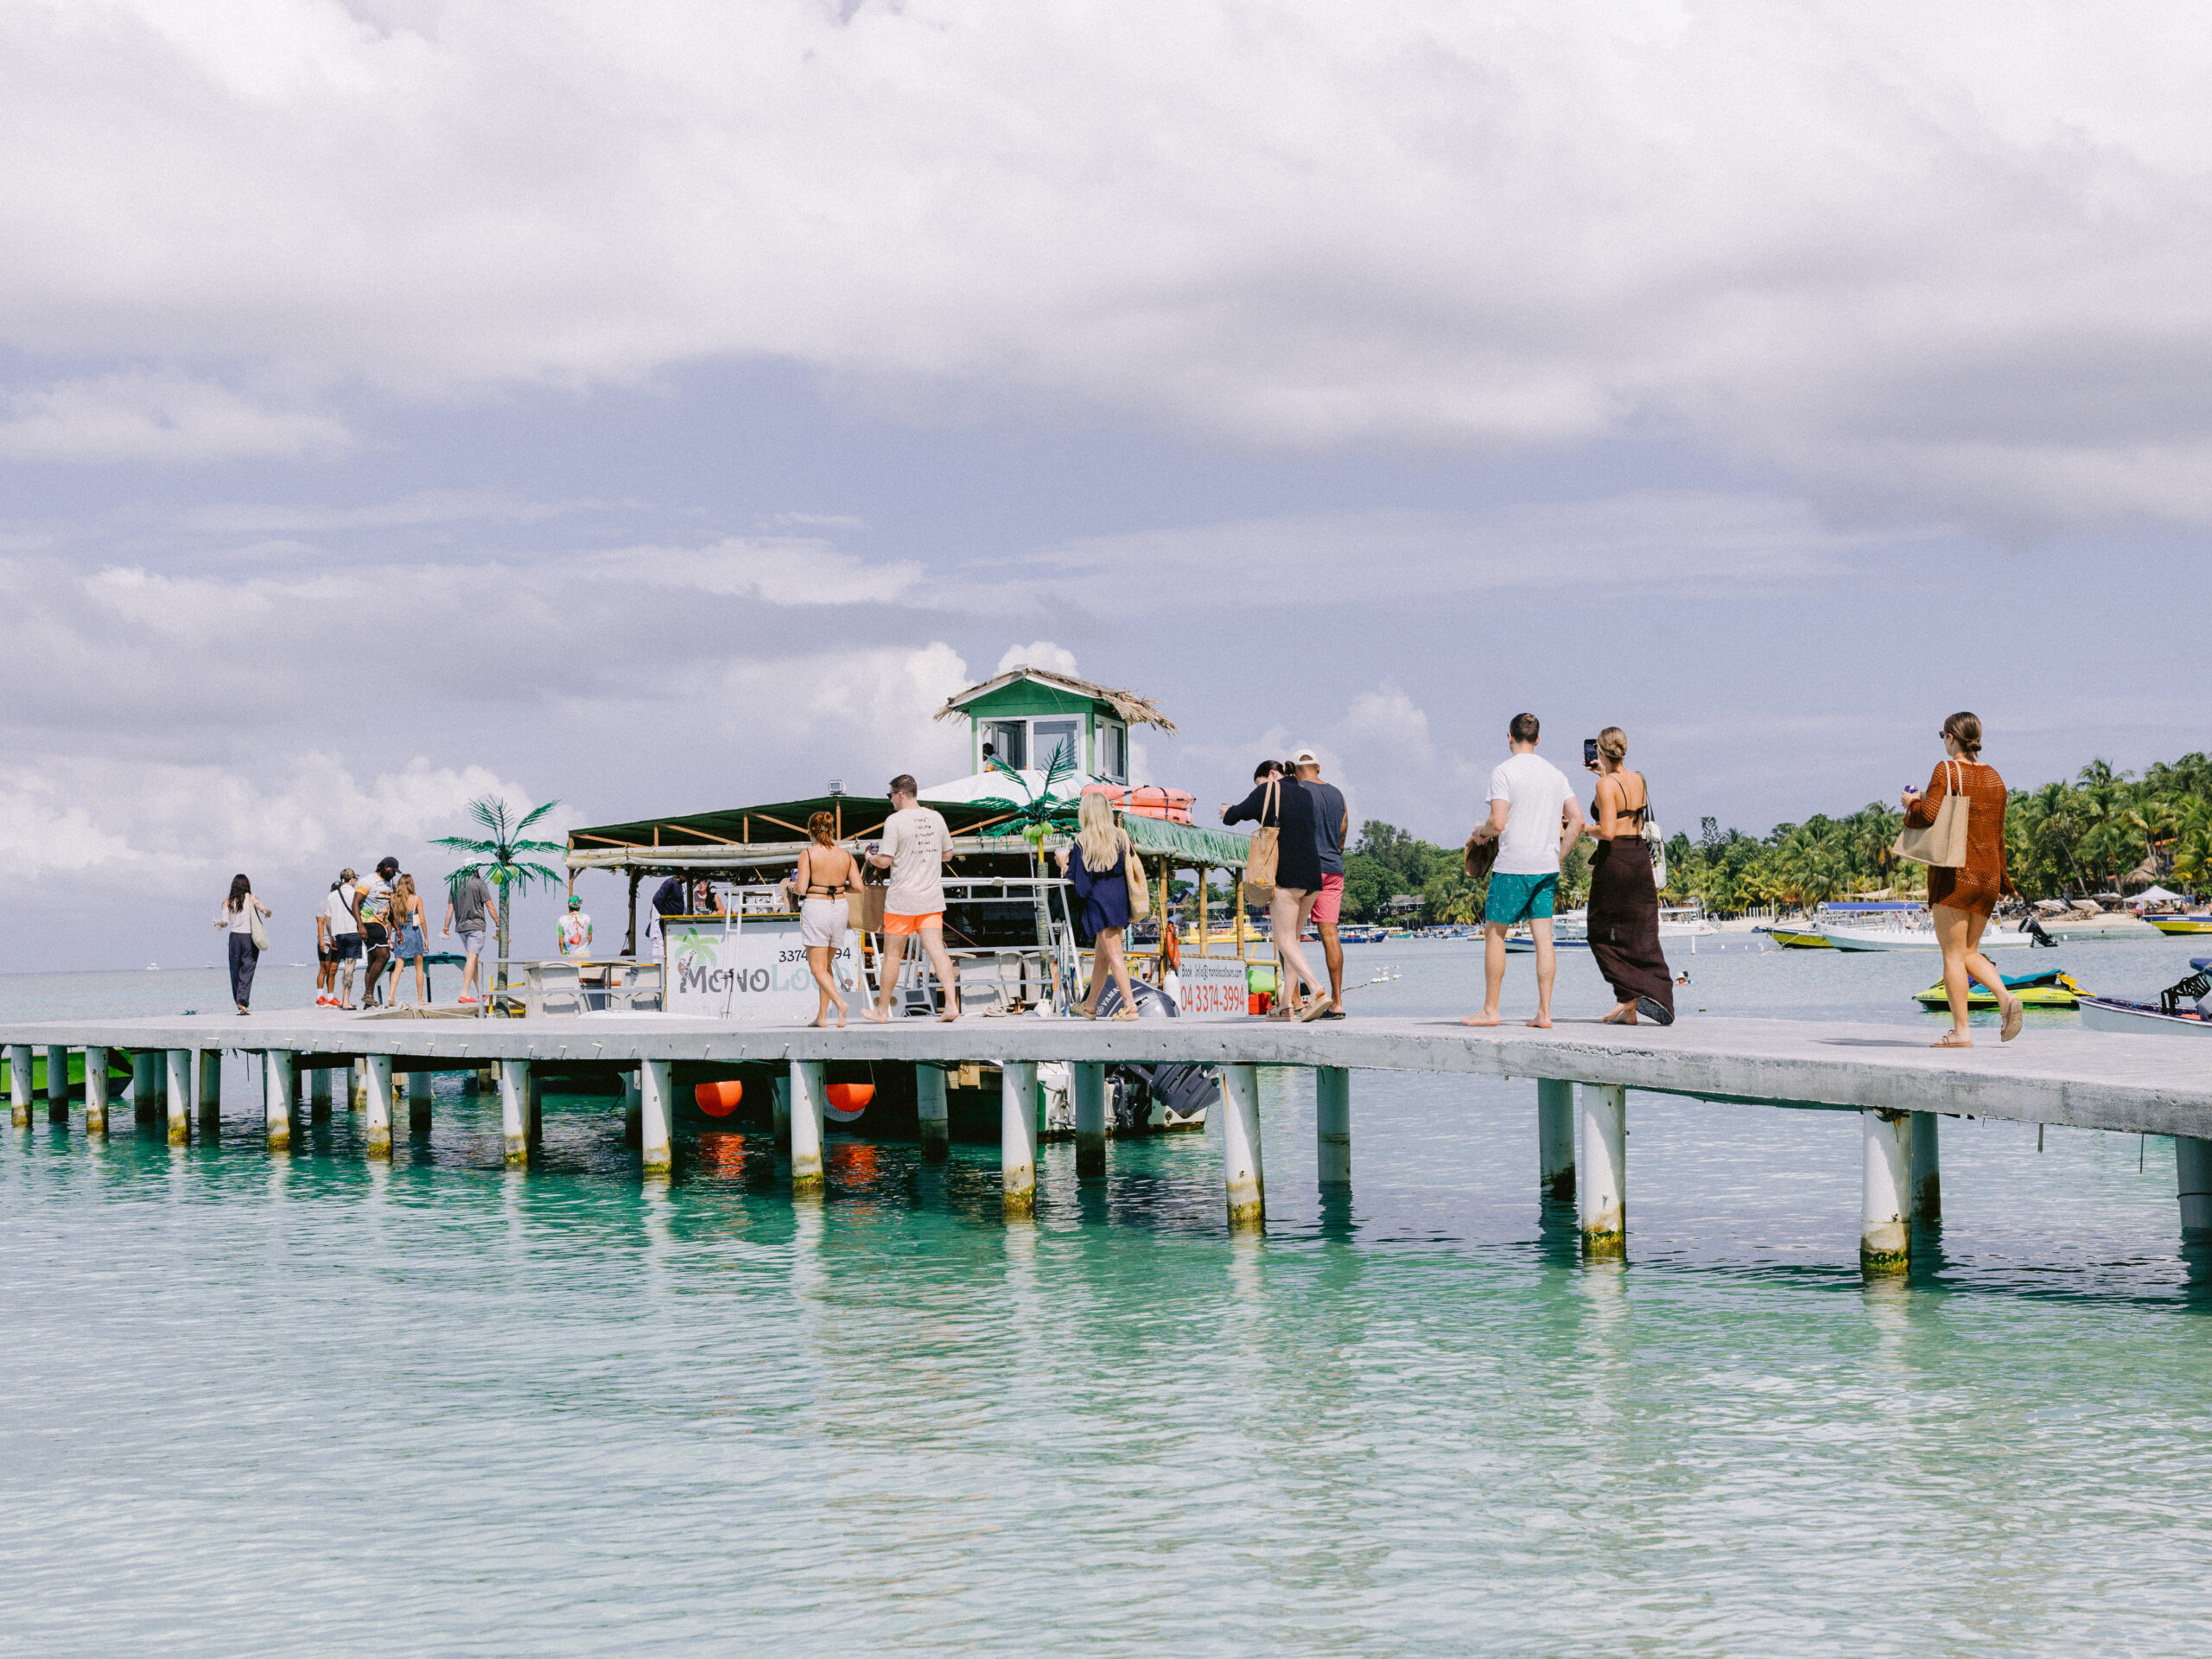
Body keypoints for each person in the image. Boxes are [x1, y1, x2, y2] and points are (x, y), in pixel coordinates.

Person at [1904, 711, 2022, 1047]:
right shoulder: (1995, 778)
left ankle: (1961, 1033)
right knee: (1969, 951)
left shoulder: (1946, 769)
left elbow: (1927, 815)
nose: (1943, 740)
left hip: (1955, 875)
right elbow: (1997, 834)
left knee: (1953, 955)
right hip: (1989, 877)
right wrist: (2003, 881)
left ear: (1952, 738)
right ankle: (2005, 998)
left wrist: (1911, 804)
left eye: (1943, 734)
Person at [1463, 713, 1583, 1029]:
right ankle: (1544, 1013)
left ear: (1509, 737)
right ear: (1538, 739)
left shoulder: (1504, 771)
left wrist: (1481, 833)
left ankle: (1491, 1010)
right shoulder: (1555, 774)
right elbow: (1578, 821)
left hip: (1514, 867)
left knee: (1495, 934)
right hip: (1545, 867)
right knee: (1543, 938)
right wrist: (1558, 857)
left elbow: (1498, 822)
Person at [1224, 757, 1332, 1021]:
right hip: (1312, 876)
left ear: (1272, 774)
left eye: (1261, 783)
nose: (1260, 788)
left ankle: (1317, 991)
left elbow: (1233, 817)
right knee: (1292, 943)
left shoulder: (1270, 789)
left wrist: (1226, 809)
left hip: (1286, 876)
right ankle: (1285, 1006)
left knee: (1283, 941)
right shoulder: (1306, 793)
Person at [1581, 727, 1674, 1026]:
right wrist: (1602, 775)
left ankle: (1627, 995)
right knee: (1640, 932)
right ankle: (1641, 1000)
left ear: (1600, 750)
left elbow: (1607, 830)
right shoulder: (1638, 780)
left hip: (1616, 861)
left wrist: (1583, 828)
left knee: (1599, 931)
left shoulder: (1606, 786)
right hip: (1639, 859)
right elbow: (1626, 809)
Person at [866, 774, 960, 1022]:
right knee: (938, 951)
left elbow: (884, 861)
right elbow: (948, 855)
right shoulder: (936, 817)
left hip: (902, 901)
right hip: (930, 899)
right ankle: (950, 1004)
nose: (890, 802)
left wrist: (869, 857)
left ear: (900, 794)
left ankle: (882, 1010)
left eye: (890, 796)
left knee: (893, 955)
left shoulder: (894, 821)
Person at [1055, 787, 1141, 1020]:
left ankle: (1130, 1005)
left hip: (1099, 901)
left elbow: (1078, 882)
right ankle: (1091, 1005)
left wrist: (1063, 864)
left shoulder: (1083, 839)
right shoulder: (1120, 836)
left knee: (1114, 954)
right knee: (1102, 956)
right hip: (1118, 898)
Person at [781, 811, 860, 1027]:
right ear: (831, 830)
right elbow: (859, 887)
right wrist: (837, 886)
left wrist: (790, 887)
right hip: (840, 907)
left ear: (810, 832)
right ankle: (823, 1017)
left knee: (817, 968)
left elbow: (802, 887)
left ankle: (840, 1003)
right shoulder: (846, 856)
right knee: (825, 968)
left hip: (817, 907)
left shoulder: (808, 854)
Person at [1294, 748, 1351, 1018]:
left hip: (1305, 869)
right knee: (1330, 934)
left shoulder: (1297, 791)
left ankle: (1293, 1002)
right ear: (1319, 768)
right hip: (1333, 868)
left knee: (1290, 937)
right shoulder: (1338, 794)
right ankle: (1338, 1003)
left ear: (1295, 770)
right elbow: (1342, 834)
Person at [213, 874, 270, 1015]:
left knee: (235, 971)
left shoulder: (227, 901)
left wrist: (217, 923)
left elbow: (224, 923)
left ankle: (239, 1003)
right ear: (247, 885)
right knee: (248, 969)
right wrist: (267, 912)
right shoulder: (252, 898)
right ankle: (242, 1001)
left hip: (234, 938)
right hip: (249, 938)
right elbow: (264, 909)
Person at [442, 866, 495, 1006]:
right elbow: (489, 905)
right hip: (476, 926)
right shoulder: (479, 883)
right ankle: (464, 993)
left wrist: (446, 927)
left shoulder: (455, 885)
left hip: (461, 928)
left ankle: (480, 992)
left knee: (473, 959)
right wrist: (498, 923)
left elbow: (450, 908)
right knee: (471, 958)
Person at [357, 857, 398, 1007]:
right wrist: (360, 925)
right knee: (384, 955)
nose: (394, 875)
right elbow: (355, 903)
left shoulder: (389, 885)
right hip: (369, 923)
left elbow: (389, 909)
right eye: (393, 871)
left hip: (380, 924)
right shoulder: (368, 880)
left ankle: (368, 1001)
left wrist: (397, 929)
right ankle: (368, 994)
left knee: (372, 962)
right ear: (386, 867)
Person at [387, 874, 431, 1005]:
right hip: (414, 934)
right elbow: (422, 920)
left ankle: (391, 996)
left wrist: (389, 938)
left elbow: (390, 922)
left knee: (398, 967)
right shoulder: (417, 899)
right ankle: (420, 999)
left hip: (400, 935)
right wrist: (426, 938)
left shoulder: (394, 899)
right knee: (419, 967)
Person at [327, 868, 362, 1009]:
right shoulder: (355, 894)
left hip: (338, 934)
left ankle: (342, 1000)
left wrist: (331, 937)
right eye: (355, 879)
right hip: (353, 932)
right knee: (349, 968)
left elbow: (328, 919)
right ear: (351, 879)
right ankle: (346, 1001)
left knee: (344, 968)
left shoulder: (332, 896)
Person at [315, 877, 340, 1007]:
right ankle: (320, 996)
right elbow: (320, 924)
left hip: (338, 942)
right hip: (325, 940)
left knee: (333, 970)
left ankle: (330, 996)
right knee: (324, 969)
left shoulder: (341, 906)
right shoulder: (323, 905)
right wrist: (321, 941)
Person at [558, 894, 594, 959]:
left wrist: (563, 954)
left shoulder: (561, 919)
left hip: (569, 956)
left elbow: (561, 942)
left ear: (568, 907)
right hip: (585, 955)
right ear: (579, 907)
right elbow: (590, 938)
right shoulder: (587, 918)